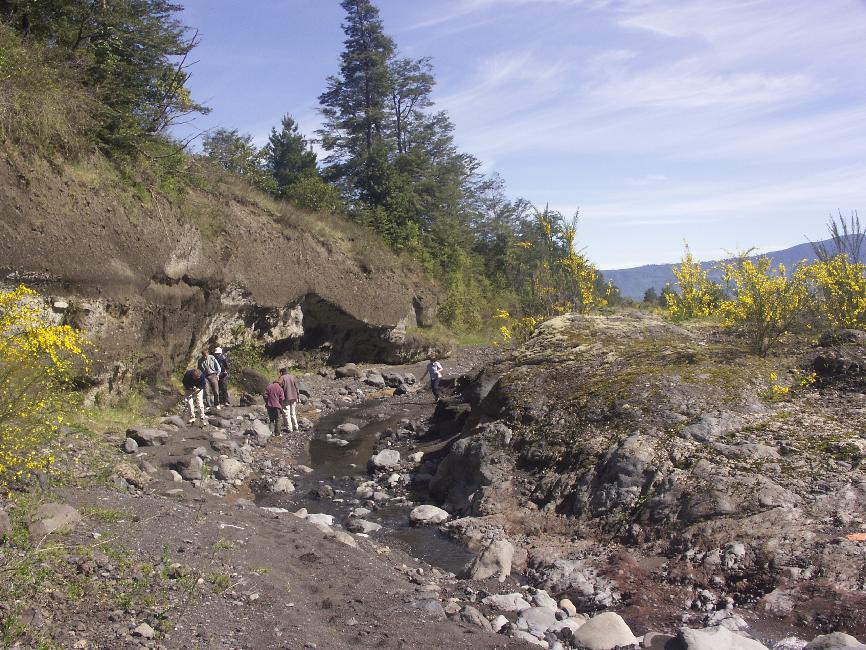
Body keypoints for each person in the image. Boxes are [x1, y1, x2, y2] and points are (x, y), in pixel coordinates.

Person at [277, 367, 300, 433]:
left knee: (286, 413)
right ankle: (296, 427)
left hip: (286, 397)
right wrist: (298, 396)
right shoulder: (292, 377)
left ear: (281, 372)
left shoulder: (282, 378)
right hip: (294, 397)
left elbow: (278, 386)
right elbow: (297, 387)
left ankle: (289, 428)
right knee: (293, 413)